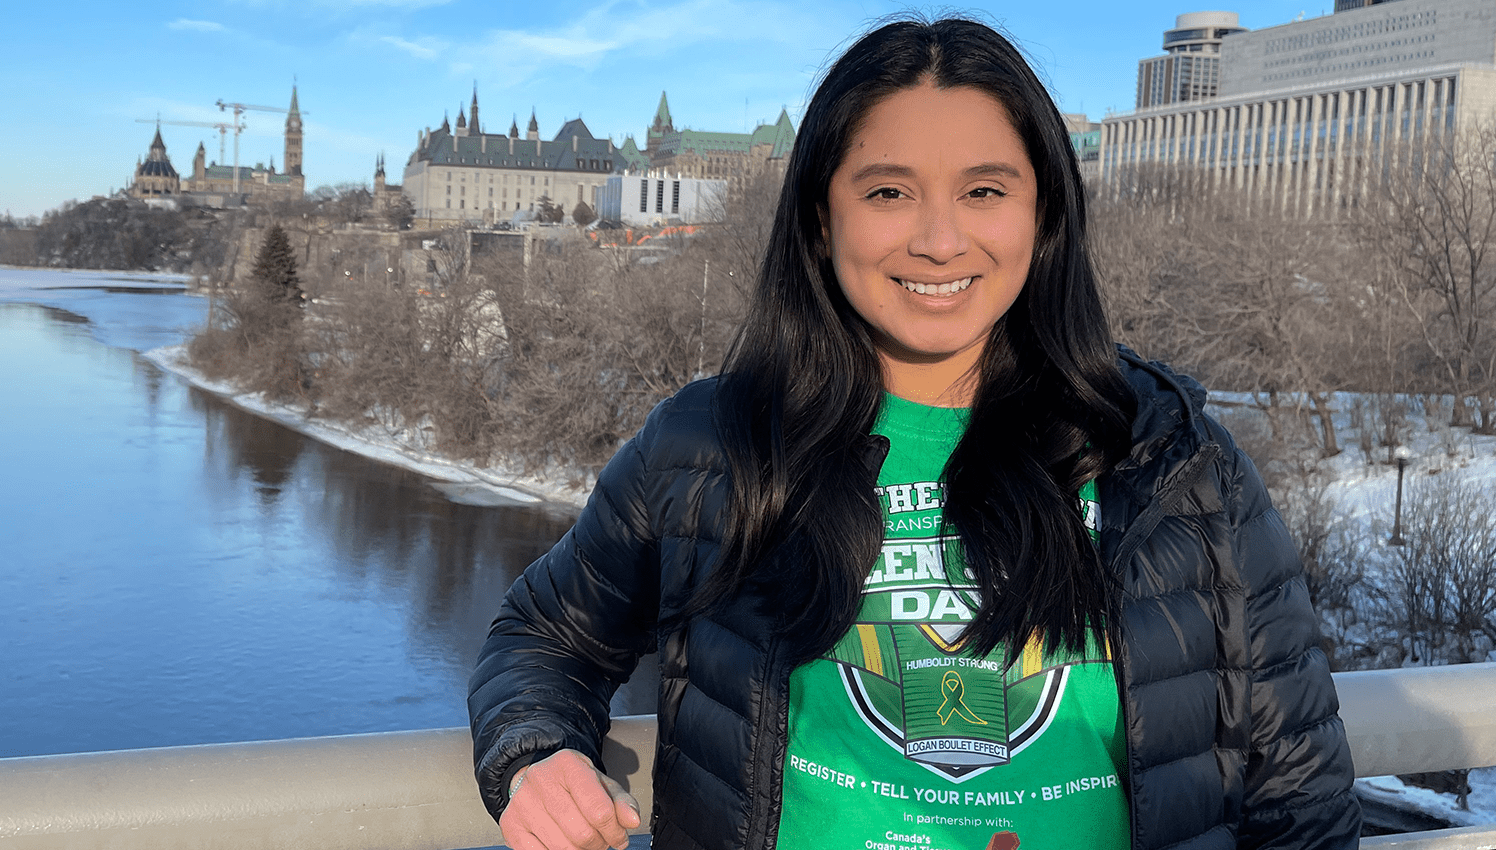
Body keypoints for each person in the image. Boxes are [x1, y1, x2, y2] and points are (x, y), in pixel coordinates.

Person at [467, 17, 1360, 850]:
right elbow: (545, 636)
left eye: (984, 190)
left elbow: (1299, 798)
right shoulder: (710, 446)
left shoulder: (1173, 462)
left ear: (1043, 215)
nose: (940, 240)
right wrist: (534, 754)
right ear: (823, 220)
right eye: (889, 191)